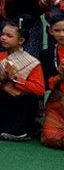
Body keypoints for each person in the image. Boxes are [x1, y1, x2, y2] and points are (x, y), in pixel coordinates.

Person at [0, 19, 45, 141]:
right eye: (2, 34)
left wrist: (15, 79)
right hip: (4, 99)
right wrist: (1, 79)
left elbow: (40, 89)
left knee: (16, 130)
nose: (3, 38)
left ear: (21, 40)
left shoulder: (33, 62)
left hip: (24, 102)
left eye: (9, 36)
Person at [41, 11, 64, 149]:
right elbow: (43, 85)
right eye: (57, 30)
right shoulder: (47, 54)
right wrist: (59, 77)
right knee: (51, 139)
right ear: (50, 31)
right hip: (57, 101)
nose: (62, 34)